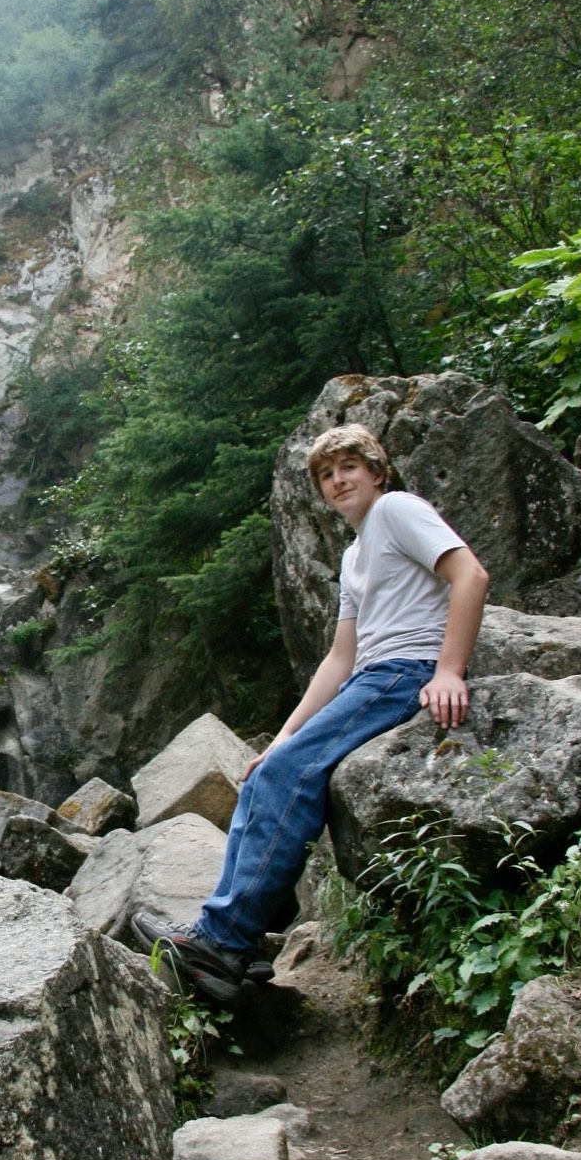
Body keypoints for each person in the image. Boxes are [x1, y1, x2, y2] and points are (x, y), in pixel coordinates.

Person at [132, 423, 490, 1007]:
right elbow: (340, 658)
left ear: (378, 472)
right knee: (264, 773)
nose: (338, 479)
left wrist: (448, 671)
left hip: (408, 671)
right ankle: (237, 948)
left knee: (283, 777)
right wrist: (285, 737)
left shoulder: (398, 509)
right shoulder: (353, 554)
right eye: (326, 474)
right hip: (375, 674)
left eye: (350, 466)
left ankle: (222, 942)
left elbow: (469, 574)